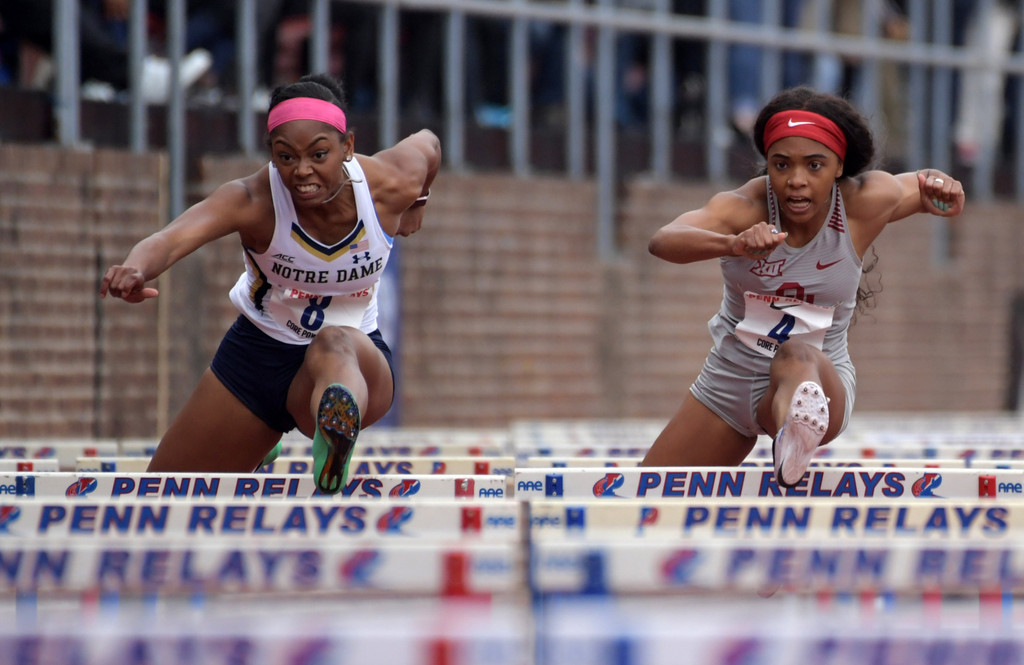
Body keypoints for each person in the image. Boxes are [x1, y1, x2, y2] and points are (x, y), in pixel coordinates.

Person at [100, 73, 441, 494]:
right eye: (286, 157)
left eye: (319, 154)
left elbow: (429, 143)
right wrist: (135, 268)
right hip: (257, 360)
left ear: (347, 147)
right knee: (160, 500)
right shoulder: (253, 200)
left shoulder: (390, 182)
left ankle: (335, 434)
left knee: (333, 342)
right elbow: (171, 238)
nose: (302, 172)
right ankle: (258, 442)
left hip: (355, 360)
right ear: (272, 154)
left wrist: (419, 201)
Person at [640, 86, 965, 488]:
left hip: (818, 382)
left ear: (838, 166)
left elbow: (922, 186)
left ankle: (796, 431)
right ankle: (788, 431)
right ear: (768, 165)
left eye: (814, 166)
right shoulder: (744, 207)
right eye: (781, 165)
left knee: (796, 355)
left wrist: (944, 185)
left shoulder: (864, 202)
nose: (796, 181)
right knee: (645, 498)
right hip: (729, 384)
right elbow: (664, 240)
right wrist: (733, 244)